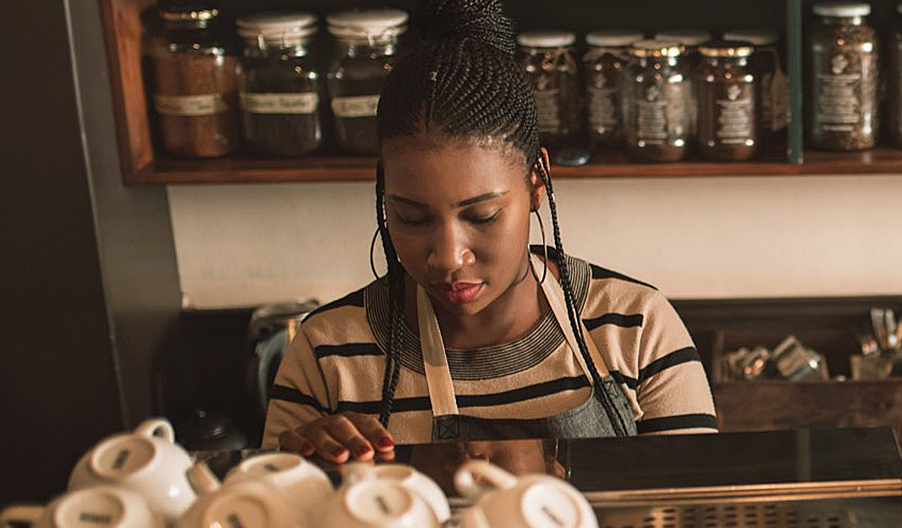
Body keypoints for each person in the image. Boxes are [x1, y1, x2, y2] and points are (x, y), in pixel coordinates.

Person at [260, 0, 716, 462]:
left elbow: (690, 522)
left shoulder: (635, 329)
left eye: (482, 217)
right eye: (412, 218)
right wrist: (304, 482)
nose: (448, 257)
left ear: (537, 181)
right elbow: (269, 526)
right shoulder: (326, 353)